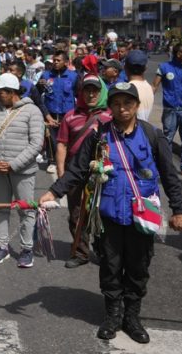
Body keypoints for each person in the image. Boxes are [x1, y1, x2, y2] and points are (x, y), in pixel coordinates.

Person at [40, 82, 182, 345]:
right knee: (110, 267)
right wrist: (54, 192)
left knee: (138, 268)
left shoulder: (153, 135)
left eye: (127, 103)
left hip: (142, 218)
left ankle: (132, 317)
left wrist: (179, 210)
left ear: (136, 105)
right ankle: (112, 315)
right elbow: (77, 170)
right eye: (117, 104)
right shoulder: (98, 137)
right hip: (108, 215)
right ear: (110, 107)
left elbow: (169, 176)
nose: (122, 109)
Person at [0, 73, 44, 268]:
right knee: (1, 209)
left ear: (13, 92)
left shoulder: (32, 111)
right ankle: (2, 246)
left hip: (23, 171)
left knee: (26, 211)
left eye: (2, 92)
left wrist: (13, 164)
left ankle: (26, 249)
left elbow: (36, 144)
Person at [55, 75, 111, 268]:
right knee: (77, 215)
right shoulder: (70, 116)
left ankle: (105, 251)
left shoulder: (110, 116)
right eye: (86, 90)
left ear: (101, 91)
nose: (91, 94)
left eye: (95, 90)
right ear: (80, 92)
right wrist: (61, 172)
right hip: (74, 172)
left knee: (103, 213)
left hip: (102, 173)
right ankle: (80, 252)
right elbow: (62, 144)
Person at [152, 41, 182, 179]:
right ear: (179, 54)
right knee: (167, 139)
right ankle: (166, 167)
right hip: (170, 110)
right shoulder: (164, 67)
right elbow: (154, 86)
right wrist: (144, 101)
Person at [38, 50, 78, 174]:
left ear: (66, 62)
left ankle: (66, 161)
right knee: (51, 138)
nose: (55, 63)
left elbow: (78, 94)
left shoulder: (74, 76)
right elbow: (37, 96)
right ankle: (52, 161)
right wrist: (46, 115)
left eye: (58, 60)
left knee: (67, 139)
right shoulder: (45, 75)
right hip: (50, 113)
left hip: (67, 114)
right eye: (54, 60)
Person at [124, 50, 153, 122]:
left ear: (125, 67)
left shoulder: (128, 89)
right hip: (143, 129)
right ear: (145, 68)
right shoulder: (149, 87)